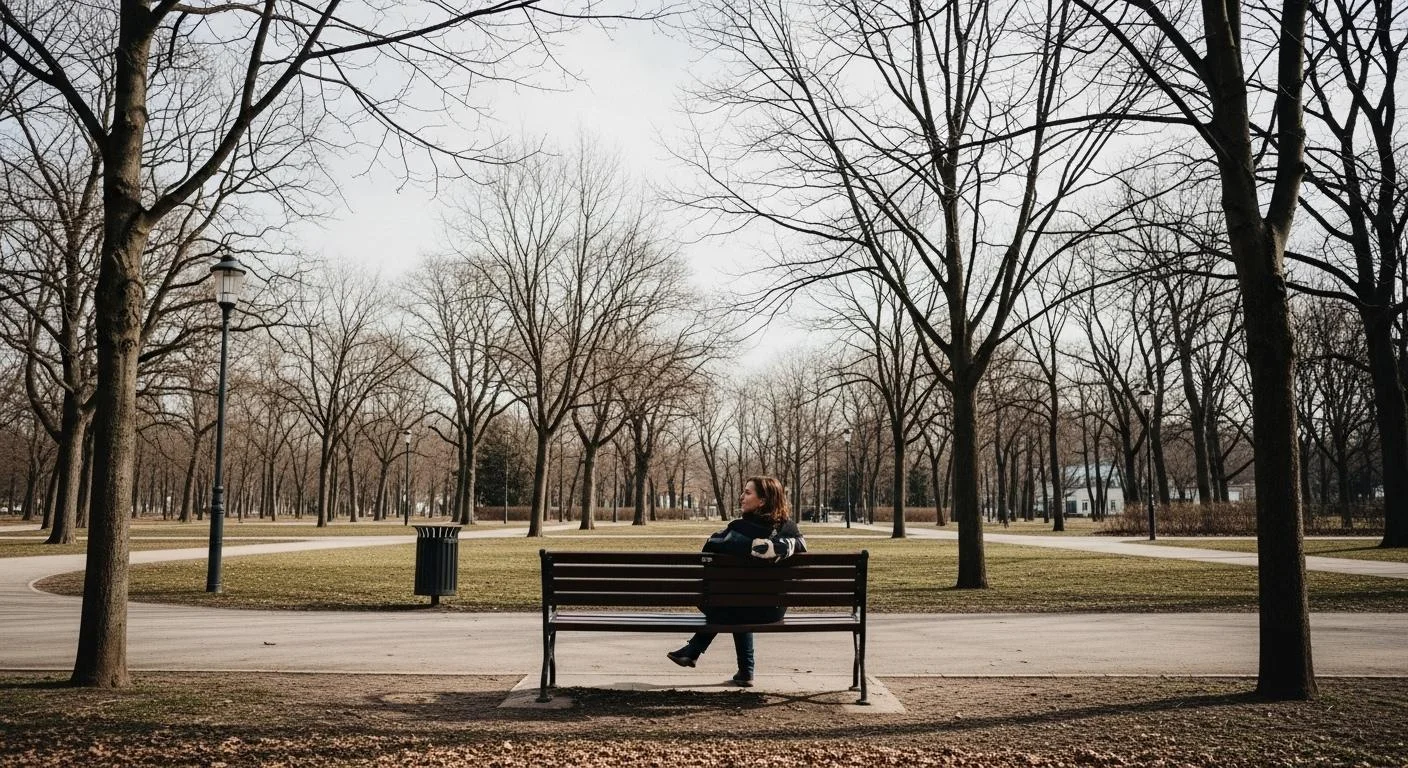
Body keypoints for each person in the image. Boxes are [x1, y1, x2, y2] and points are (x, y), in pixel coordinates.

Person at [665, 476, 807, 687]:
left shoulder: (738, 529)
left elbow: (710, 546)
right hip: (772, 611)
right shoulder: (790, 530)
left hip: (732, 606)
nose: (741, 496)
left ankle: (694, 650)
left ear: (762, 501)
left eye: (747, 492)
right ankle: (743, 670)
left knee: (732, 602)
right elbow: (801, 544)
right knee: (738, 601)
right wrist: (771, 548)